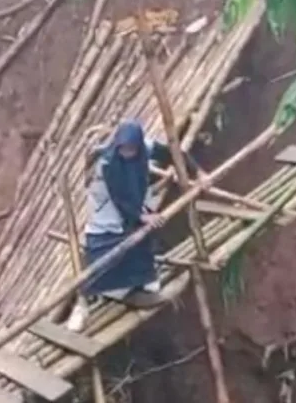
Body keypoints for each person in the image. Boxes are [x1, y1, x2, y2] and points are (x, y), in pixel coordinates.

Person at [66, 120, 204, 333]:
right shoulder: (107, 164)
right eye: (123, 149)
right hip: (108, 212)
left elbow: (172, 153)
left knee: (140, 243)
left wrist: (198, 171)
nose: (127, 153)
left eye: (131, 149)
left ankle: (137, 284)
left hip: (133, 206)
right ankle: (92, 297)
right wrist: (141, 216)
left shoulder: (145, 147)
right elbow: (119, 197)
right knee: (107, 256)